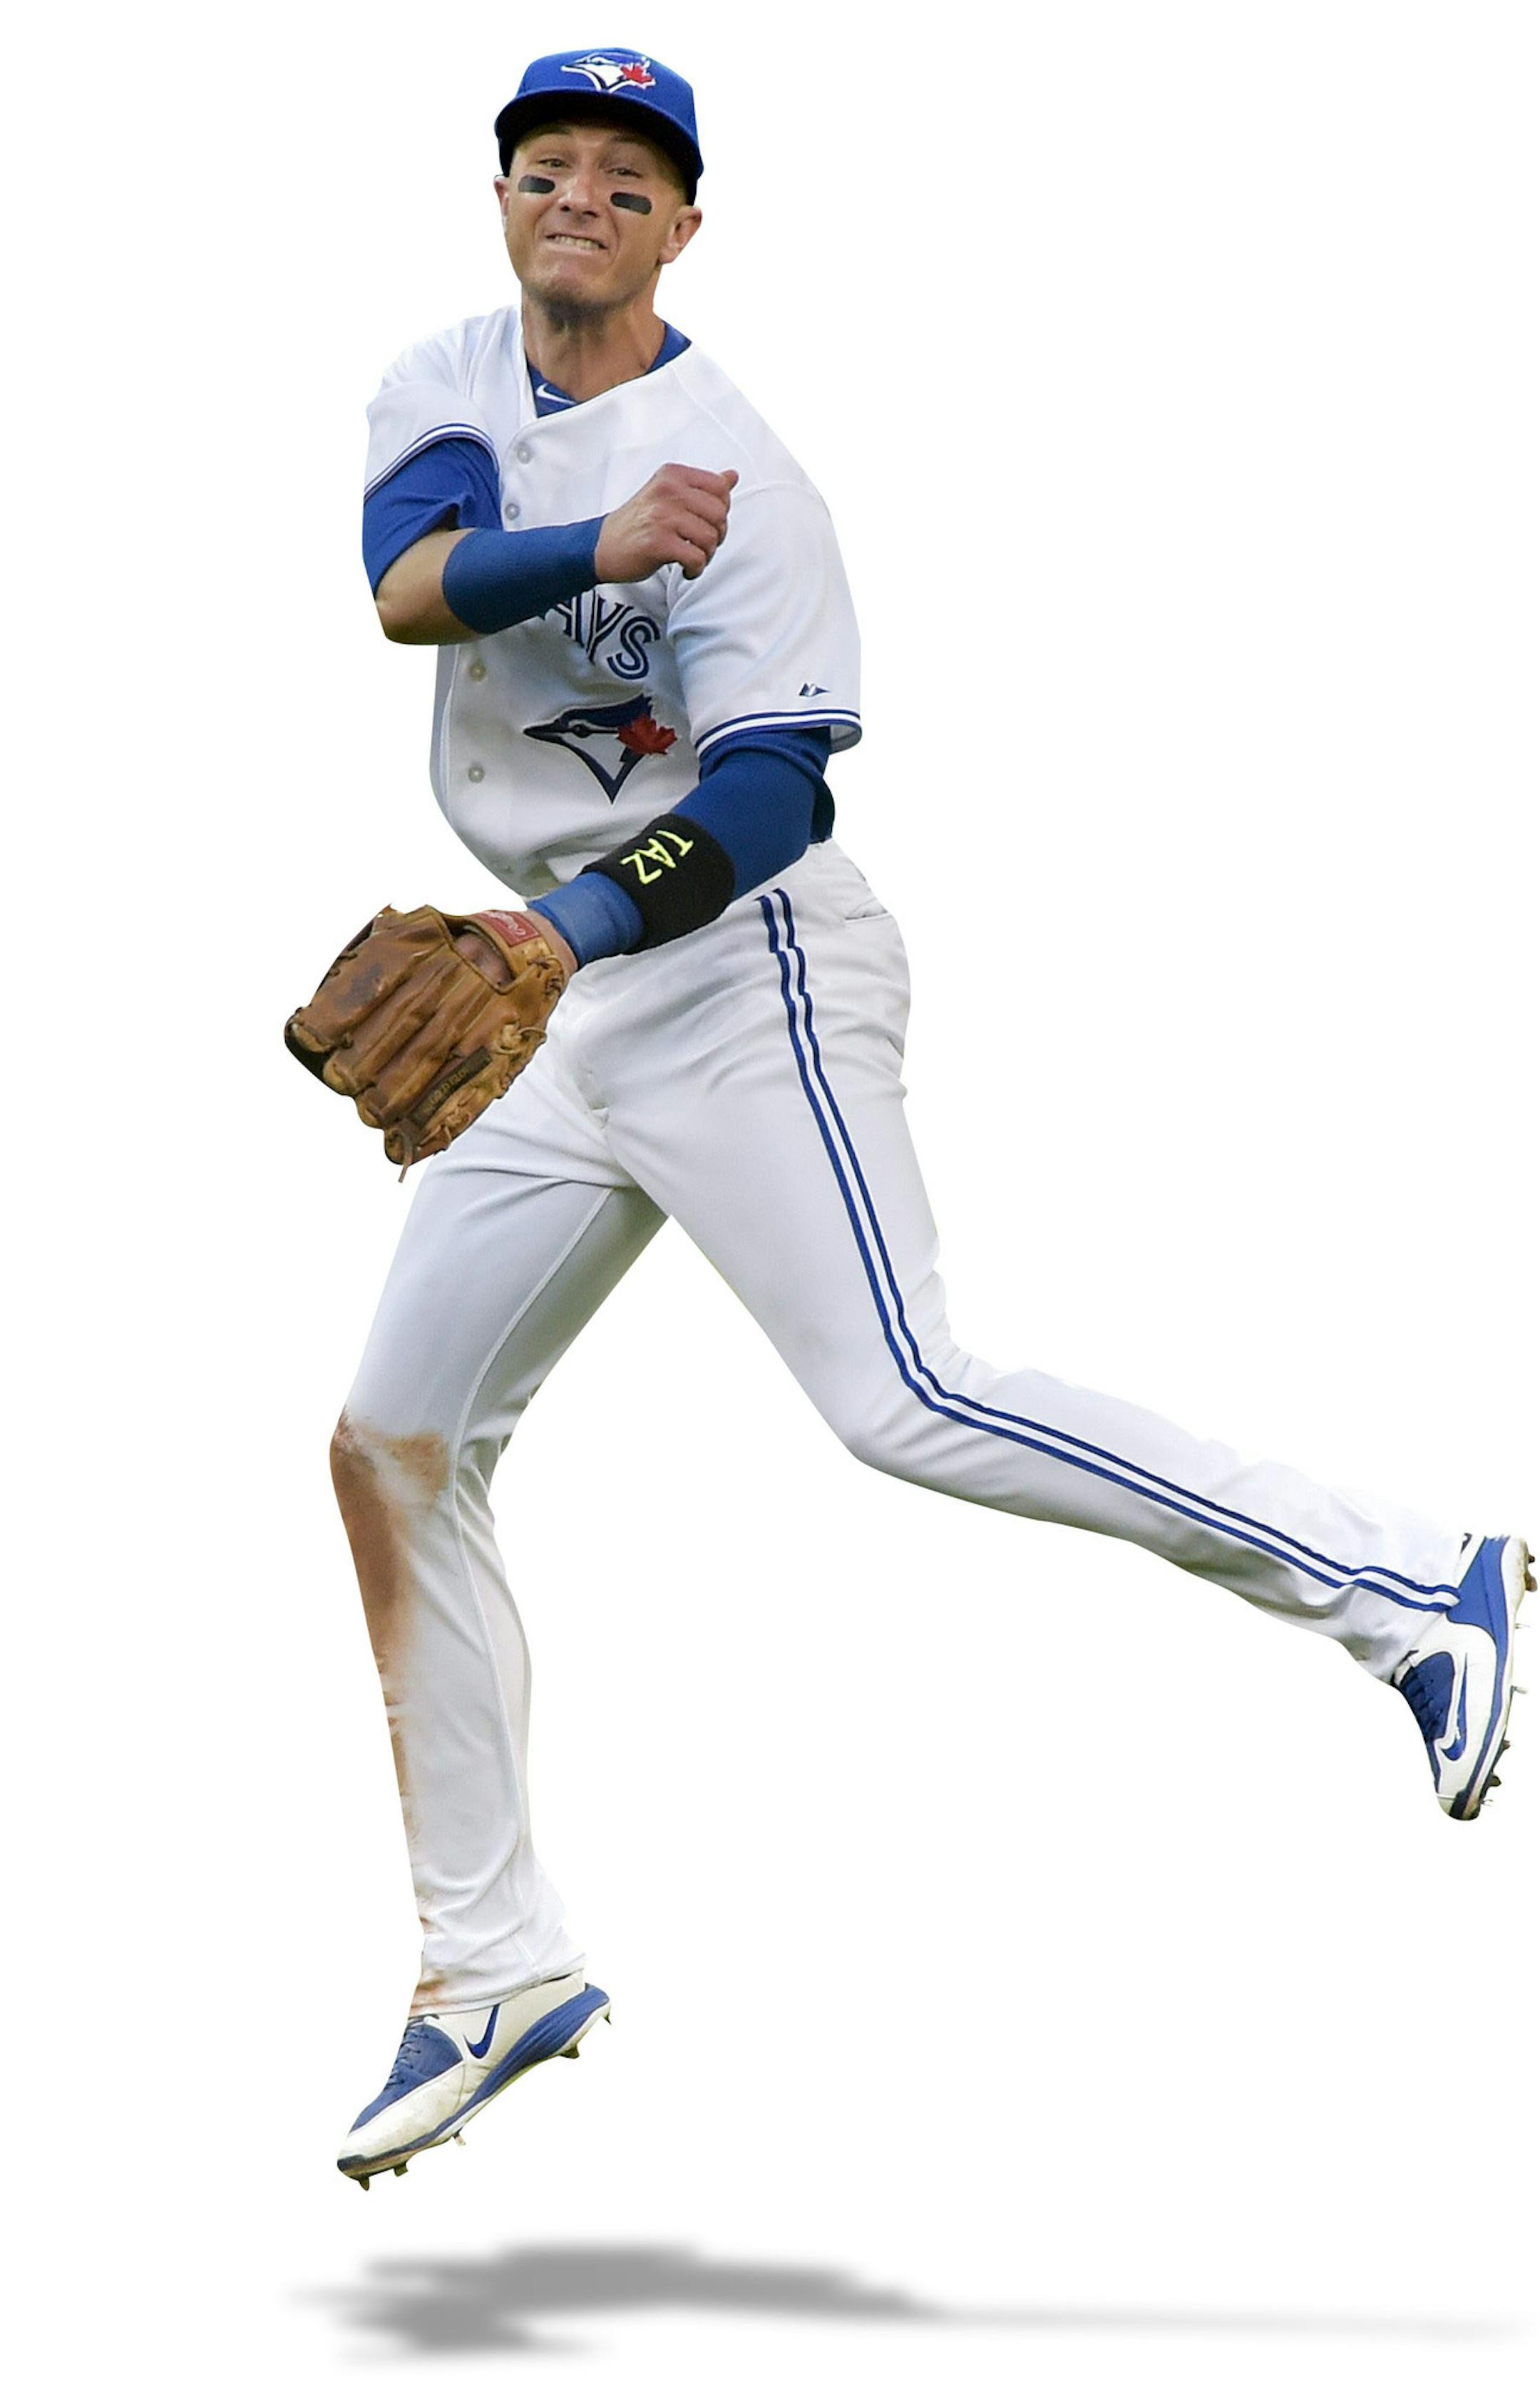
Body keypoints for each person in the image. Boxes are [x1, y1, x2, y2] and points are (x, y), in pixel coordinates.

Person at [330, 47, 1531, 2188]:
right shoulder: (444, 375)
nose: (580, 195)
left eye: (628, 174)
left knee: (904, 1400)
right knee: (394, 1439)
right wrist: (596, 556)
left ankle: (1422, 1586)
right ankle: (491, 1961)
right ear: (503, 201)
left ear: (688, 223)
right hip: (560, 996)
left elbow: (780, 793)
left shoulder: (749, 470)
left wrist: (570, 934)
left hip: (741, 971)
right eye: (546, 166)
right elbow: (407, 586)